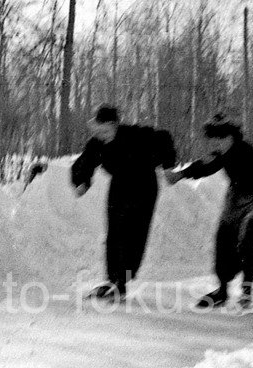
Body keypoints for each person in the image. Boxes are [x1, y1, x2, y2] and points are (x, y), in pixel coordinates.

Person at [166, 115, 253, 309]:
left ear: (232, 137)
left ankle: (246, 292)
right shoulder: (222, 154)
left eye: (221, 138)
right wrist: (180, 174)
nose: (217, 143)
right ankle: (222, 291)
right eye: (214, 139)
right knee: (223, 241)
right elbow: (205, 166)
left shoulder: (249, 154)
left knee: (247, 237)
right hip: (237, 199)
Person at [71, 105, 176, 301]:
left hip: (144, 184)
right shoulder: (98, 143)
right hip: (120, 184)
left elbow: (164, 138)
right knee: (115, 232)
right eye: (98, 131)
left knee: (134, 232)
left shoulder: (136, 135)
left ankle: (122, 282)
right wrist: (82, 181)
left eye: (105, 131)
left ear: (115, 125)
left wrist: (169, 165)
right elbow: (85, 161)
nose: (102, 135)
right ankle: (112, 280)